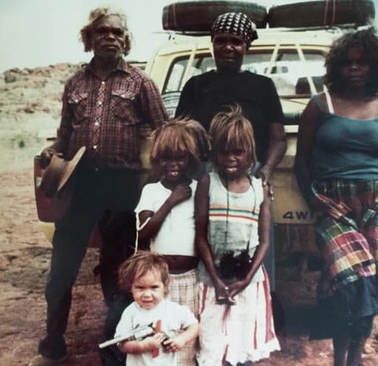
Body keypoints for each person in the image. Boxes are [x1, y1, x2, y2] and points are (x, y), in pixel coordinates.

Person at [32, 7, 167, 366]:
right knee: (60, 273)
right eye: (102, 31)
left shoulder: (140, 83)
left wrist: (155, 174)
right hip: (80, 188)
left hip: (124, 190)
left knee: (117, 274)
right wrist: (53, 152)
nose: (110, 37)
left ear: (125, 40)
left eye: (117, 33)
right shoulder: (74, 84)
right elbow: (63, 135)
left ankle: (115, 347)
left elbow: (165, 132)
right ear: (89, 38)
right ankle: (53, 342)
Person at [293, 28, 378, 366]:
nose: (354, 69)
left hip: (376, 205)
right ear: (337, 67)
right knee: (346, 280)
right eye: (348, 63)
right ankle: (341, 356)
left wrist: (374, 191)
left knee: (365, 280)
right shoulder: (319, 106)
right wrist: (315, 202)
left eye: (362, 63)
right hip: (332, 204)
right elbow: (301, 162)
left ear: (374, 67)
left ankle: (354, 355)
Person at [174, 11, 287, 295]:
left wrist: (265, 171)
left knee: (256, 241)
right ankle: (204, 303)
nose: (228, 47)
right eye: (221, 40)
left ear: (246, 47)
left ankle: (261, 306)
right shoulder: (196, 86)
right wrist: (195, 173)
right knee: (203, 238)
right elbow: (180, 136)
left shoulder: (262, 87)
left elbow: (278, 139)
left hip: (249, 177)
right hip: (206, 176)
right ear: (212, 44)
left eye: (235, 41)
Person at [194, 106, 280, 365]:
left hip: (248, 282)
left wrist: (246, 278)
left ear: (250, 153)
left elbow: (264, 241)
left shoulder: (259, 188)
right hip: (212, 280)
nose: (230, 158)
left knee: (243, 343)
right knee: (211, 345)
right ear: (215, 154)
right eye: (224, 152)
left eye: (237, 152)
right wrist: (216, 278)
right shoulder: (207, 183)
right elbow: (200, 236)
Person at [134, 119, 208, 365]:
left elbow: (204, 231)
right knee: (160, 340)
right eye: (166, 158)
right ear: (157, 160)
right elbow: (144, 233)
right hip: (160, 282)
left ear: (190, 159)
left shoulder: (199, 189)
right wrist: (171, 201)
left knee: (186, 342)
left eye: (180, 158)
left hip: (190, 278)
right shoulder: (152, 191)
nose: (173, 165)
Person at [115, 251, 200, 366]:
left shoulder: (173, 310)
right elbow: (121, 344)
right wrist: (142, 346)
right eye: (140, 288)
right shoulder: (131, 312)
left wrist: (182, 339)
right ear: (131, 287)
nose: (147, 294)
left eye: (154, 287)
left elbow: (194, 326)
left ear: (165, 286)